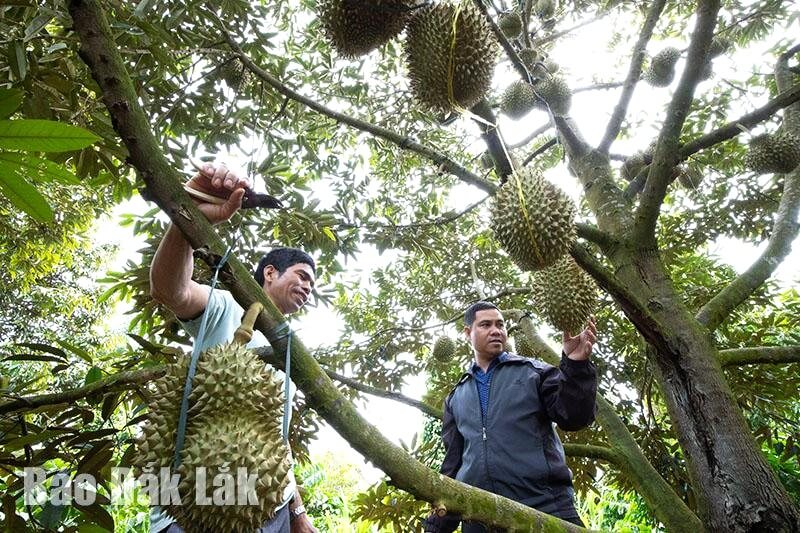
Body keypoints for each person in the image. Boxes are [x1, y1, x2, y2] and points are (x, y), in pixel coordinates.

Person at [148, 162, 318, 533]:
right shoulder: (225, 304)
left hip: (267, 510)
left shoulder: (288, 350)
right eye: (302, 276)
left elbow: (276, 437)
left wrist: (298, 511)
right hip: (190, 507)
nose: (308, 288)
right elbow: (169, 289)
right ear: (270, 272)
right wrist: (188, 217)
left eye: (312, 284)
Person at [425, 301, 597, 532]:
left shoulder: (534, 372)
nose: (496, 330)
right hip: (479, 518)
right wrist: (436, 526)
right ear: (468, 333)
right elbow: (453, 467)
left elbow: (573, 417)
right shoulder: (456, 397)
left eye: (500, 324)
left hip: (544, 508)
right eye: (485, 324)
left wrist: (576, 366)